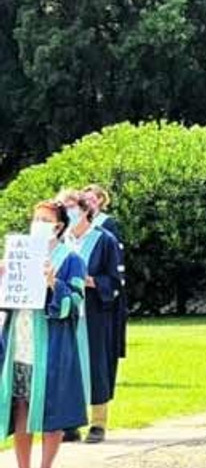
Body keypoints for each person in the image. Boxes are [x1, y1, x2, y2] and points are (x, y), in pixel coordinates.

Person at [0, 200, 90, 468]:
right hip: (20, 342)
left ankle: (45, 466)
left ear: (59, 226)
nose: (37, 224)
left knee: (53, 410)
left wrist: (54, 284)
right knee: (21, 408)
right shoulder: (19, 253)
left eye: (45, 220)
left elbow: (75, 303)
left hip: (52, 346)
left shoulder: (71, 259)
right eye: (35, 218)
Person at [57, 188, 123, 444]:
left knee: (96, 365)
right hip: (66, 312)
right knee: (68, 366)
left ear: (85, 209)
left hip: (94, 313)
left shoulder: (104, 240)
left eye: (72, 206)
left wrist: (90, 281)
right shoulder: (61, 242)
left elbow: (115, 281)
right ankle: (71, 423)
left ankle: (98, 423)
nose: (68, 212)